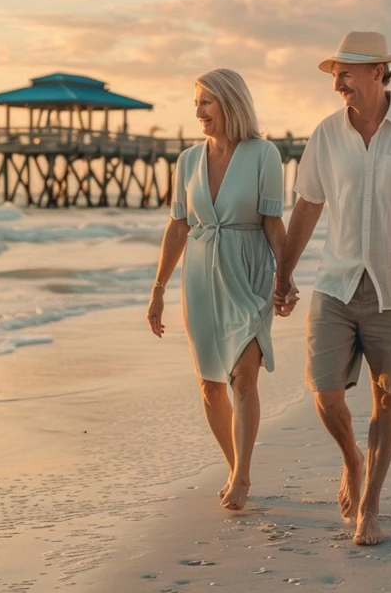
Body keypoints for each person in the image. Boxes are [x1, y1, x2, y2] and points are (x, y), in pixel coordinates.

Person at [275, 31, 391, 545]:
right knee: (324, 390)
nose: (337, 83)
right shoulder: (327, 134)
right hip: (336, 282)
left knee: (387, 398)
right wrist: (283, 273)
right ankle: (351, 458)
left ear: (378, 71)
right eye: (335, 72)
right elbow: (308, 205)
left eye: (347, 72)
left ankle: (371, 505)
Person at [147, 68, 288, 511]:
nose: (199, 111)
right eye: (196, 102)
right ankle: (235, 467)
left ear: (230, 102)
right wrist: (158, 289)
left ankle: (242, 478)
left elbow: (272, 222)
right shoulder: (188, 160)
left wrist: (286, 278)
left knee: (243, 376)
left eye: (206, 101)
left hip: (247, 273)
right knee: (210, 385)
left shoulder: (264, 154)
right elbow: (178, 225)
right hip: (200, 277)